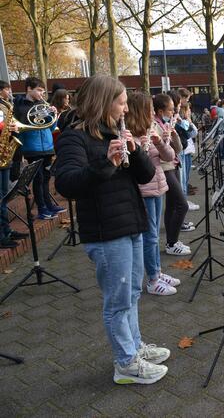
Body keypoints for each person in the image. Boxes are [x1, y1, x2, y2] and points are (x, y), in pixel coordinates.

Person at [55, 74, 169, 385]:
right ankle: (126, 363)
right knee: (117, 301)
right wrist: (105, 162)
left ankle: (134, 346)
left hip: (131, 224)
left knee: (131, 293)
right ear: (104, 103)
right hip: (106, 232)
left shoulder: (115, 132)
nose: (124, 109)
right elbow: (67, 183)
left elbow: (145, 177)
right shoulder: (74, 137)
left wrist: (137, 150)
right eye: (120, 103)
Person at [126, 91, 180, 295]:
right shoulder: (131, 136)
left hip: (158, 185)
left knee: (155, 235)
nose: (151, 114)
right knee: (149, 237)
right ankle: (152, 280)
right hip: (145, 190)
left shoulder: (151, 130)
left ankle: (157, 270)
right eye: (148, 110)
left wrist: (160, 142)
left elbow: (170, 156)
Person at [15, 77, 65, 219]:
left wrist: (53, 114)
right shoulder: (20, 107)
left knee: (46, 178)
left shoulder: (43, 105)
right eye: (39, 90)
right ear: (29, 89)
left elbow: (50, 127)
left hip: (47, 147)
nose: (41, 94)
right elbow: (23, 126)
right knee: (38, 178)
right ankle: (42, 209)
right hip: (32, 147)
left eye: (43, 91)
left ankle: (49, 205)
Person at [153, 94, 191, 255]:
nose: (172, 112)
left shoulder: (165, 123)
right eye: (170, 110)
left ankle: (171, 241)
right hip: (164, 168)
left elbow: (179, 149)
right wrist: (162, 141)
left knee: (172, 205)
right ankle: (172, 242)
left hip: (173, 166)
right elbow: (157, 153)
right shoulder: (154, 125)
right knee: (183, 205)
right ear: (160, 111)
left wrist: (174, 135)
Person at [0, 81, 28, 249]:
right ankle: (1, 235)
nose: (9, 91)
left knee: (4, 196)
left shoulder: (5, 107)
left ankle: (7, 230)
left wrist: (12, 129)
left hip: (3, 156)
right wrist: (5, 127)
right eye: (7, 89)